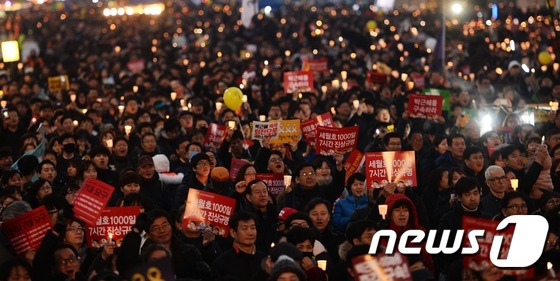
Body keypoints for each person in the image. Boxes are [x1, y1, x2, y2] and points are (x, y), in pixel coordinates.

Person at [117, 209, 211, 280]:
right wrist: (135, 232)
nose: (162, 231)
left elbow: (206, 275)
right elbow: (125, 267)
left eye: (165, 225)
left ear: (171, 226)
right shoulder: (143, 256)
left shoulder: (189, 252)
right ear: (149, 234)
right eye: (155, 228)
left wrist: (208, 248)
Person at [211, 211, 267, 280]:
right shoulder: (221, 263)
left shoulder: (265, 261)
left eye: (253, 228)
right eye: (244, 228)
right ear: (233, 233)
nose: (250, 233)